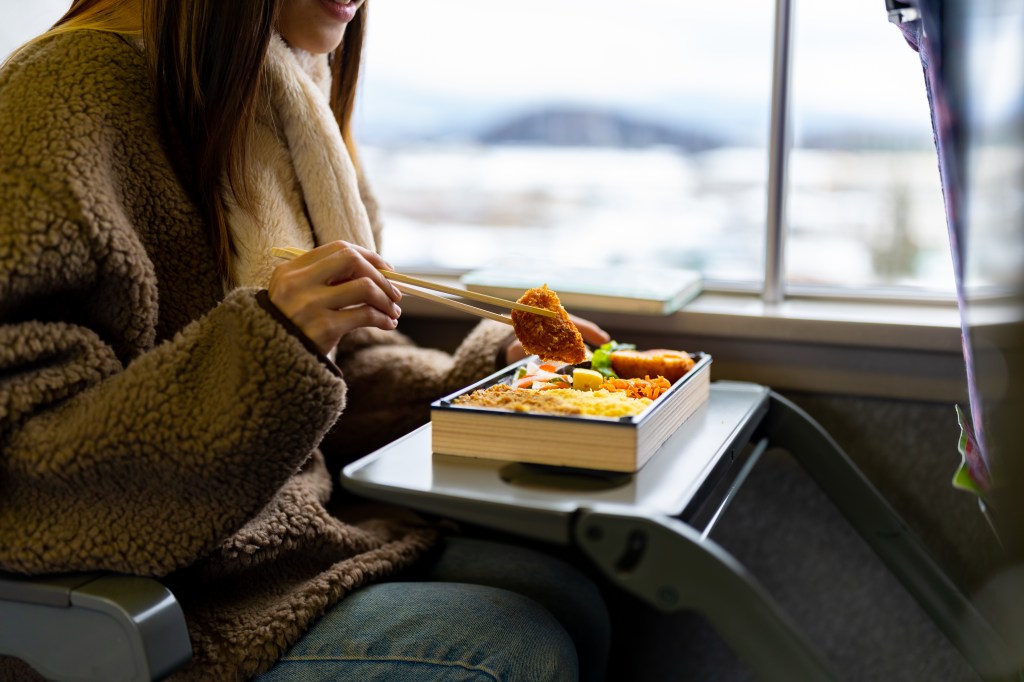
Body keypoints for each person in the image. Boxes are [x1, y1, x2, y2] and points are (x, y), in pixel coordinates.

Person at [0, 0, 613, 679]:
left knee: (574, 595)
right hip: (172, 598)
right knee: (514, 645)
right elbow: (22, 469)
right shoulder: (57, 98)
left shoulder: (295, 102)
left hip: (286, 546)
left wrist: (487, 377)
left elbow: (338, 367)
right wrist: (271, 343)